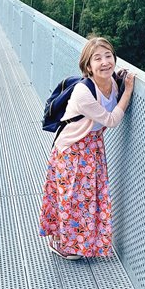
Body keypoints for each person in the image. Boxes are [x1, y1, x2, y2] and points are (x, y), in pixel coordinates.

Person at [40, 36, 135, 259]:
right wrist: (128, 91)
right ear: (88, 66)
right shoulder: (83, 92)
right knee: (71, 198)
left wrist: (121, 82)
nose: (104, 62)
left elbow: (112, 102)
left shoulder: (112, 83)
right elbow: (111, 120)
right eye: (97, 58)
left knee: (89, 198)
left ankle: (81, 243)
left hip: (92, 147)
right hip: (72, 149)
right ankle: (62, 243)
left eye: (108, 56)